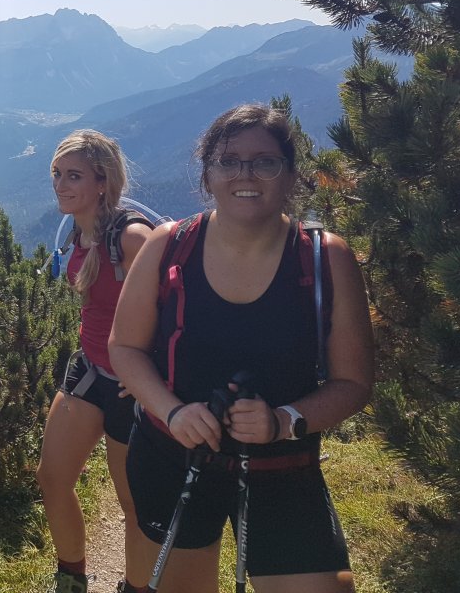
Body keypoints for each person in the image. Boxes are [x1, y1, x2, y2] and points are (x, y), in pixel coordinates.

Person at [107, 103, 374, 593]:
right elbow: (124, 346)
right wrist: (173, 412)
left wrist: (284, 421)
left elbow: (353, 382)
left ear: (290, 174)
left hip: (284, 470)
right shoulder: (169, 246)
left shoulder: (325, 259)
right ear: (207, 175)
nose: (244, 174)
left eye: (264, 162)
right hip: (172, 459)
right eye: (228, 161)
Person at [37, 129, 155, 593]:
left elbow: (179, 308)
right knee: (52, 477)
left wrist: (150, 373)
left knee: (134, 504)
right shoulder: (78, 231)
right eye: (57, 174)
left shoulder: (132, 237)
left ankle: (136, 587)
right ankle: (71, 578)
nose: (60, 185)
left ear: (102, 181)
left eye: (73, 176)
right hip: (89, 368)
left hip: (130, 384)